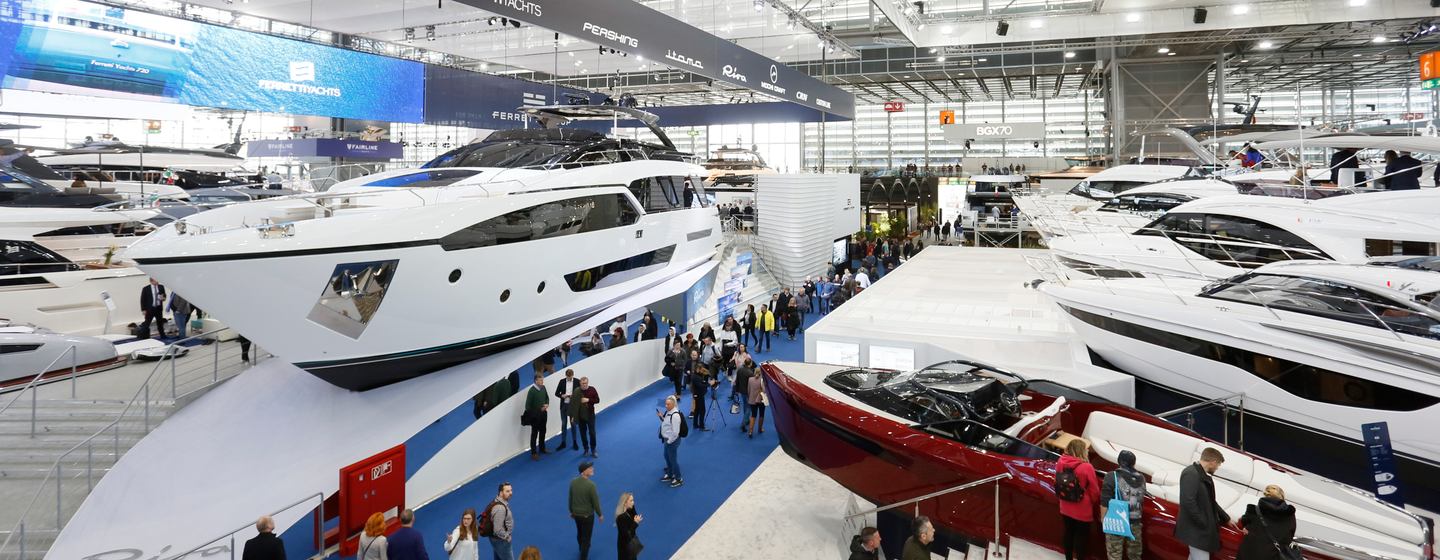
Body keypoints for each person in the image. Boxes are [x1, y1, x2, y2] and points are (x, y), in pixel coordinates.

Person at [1176, 447, 1230, 560]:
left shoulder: (1200, 475)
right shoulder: (1191, 474)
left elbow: (1211, 501)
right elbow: (1188, 502)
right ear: (1213, 462)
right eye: (1218, 464)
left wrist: (1226, 518)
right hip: (1196, 531)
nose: (1217, 467)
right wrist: (1203, 522)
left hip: (1199, 531)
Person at [1058, 439, 1100, 560]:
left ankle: (1068, 558)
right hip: (1082, 508)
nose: (1087, 450)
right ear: (1081, 450)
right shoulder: (1087, 467)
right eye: (1086, 449)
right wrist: (1091, 501)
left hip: (1065, 505)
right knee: (1081, 537)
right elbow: (1095, 490)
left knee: (1068, 532)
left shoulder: (1060, 461)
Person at [1101, 450, 1146, 560]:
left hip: (1116, 521)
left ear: (1119, 461)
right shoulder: (1142, 478)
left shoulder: (1112, 476)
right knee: (1135, 556)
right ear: (1134, 463)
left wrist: (1103, 519)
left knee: (1114, 555)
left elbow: (1104, 501)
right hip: (1135, 522)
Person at [1238, 485, 1296, 560]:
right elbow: (1289, 536)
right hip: (1275, 555)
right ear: (1282, 496)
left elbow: (1243, 523)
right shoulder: (1289, 514)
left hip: (1250, 554)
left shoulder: (1254, 511)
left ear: (1265, 495)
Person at [569, 461, 604, 560]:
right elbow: (595, 502)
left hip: (576, 515)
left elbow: (570, 498)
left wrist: (571, 511)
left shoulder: (573, 482)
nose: (592, 469)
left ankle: (581, 548)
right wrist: (600, 514)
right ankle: (583, 556)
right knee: (586, 538)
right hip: (587, 516)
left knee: (580, 532)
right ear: (584, 471)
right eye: (590, 468)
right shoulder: (591, 485)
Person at [658, 395, 684, 488]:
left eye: (668, 404)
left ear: (673, 404)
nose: (666, 406)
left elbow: (675, 432)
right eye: (665, 404)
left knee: (673, 460)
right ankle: (670, 474)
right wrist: (661, 417)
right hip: (667, 440)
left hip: (672, 441)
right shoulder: (669, 412)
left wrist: (669, 441)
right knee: (667, 456)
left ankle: (678, 478)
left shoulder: (675, 416)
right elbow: (666, 423)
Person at [485, 483, 515, 560]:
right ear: (501, 493)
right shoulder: (500, 508)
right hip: (501, 541)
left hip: (496, 540)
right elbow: (497, 530)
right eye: (507, 491)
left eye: (511, 490)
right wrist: (507, 537)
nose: (511, 493)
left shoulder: (497, 501)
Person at [524, 373, 550, 460]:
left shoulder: (543, 387)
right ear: (536, 381)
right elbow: (527, 406)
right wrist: (539, 409)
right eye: (541, 380)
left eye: (542, 380)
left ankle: (542, 448)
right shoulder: (531, 391)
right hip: (535, 416)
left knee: (543, 431)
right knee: (534, 434)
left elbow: (547, 398)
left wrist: (546, 404)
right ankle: (534, 452)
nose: (543, 381)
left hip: (543, 414)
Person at [573, 376, 599, 458]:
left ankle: (593, 449)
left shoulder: (592, 389)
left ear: (587, 383)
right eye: (582, 383)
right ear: (580, 383)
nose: (584, 385)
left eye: (585, 383)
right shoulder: (577, 391)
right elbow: (574, 405)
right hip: (581, 416)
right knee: (583, 433)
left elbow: (597, 400)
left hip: (590, 415)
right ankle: (586, 449)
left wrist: (588, 400)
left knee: (592, 433)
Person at [555, 369, 580, 451]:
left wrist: (574, 396)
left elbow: (580, 393)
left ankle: (575, 442)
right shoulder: (562, 381)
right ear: (566, 375)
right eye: (568, 377)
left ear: (573, 375)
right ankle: (563, 442)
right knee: (564, 424)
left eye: (570, 377)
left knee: (573, 424)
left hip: (572, 406)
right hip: (564, 406)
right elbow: (556, 393)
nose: (569, 378)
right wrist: (562, 395)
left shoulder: (577, 381)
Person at [615, 492, 643, 560]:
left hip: (630, 543)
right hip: (625, 547)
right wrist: (635, 523)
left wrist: (636, 519)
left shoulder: (629, 509)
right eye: (631, 501)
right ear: (625, 503)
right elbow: (627, 534)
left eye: (633, 500)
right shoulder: (621, 518)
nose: (633, 502)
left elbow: (635, 515)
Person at [747, 366, 767, 438]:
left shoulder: (750, 379)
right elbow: (765, 391)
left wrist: (750, 397)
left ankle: (750, 431)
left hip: (752, 400)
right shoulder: (762, 380)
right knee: (761, 415)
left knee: (753, 415)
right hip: (761, 400)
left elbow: (748, 390)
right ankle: (760, 429)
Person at [690, 365, 711, 431]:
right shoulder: (695, 377)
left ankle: (695, 424)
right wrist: (709, 384)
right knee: (702, 410)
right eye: (701, 369)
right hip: (699, 395)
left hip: (698, 394)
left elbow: (702, 382)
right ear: (697, 369)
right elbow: (700, 385)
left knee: (697, 410)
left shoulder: (697, 375)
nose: (702, 371)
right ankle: (701, 426)